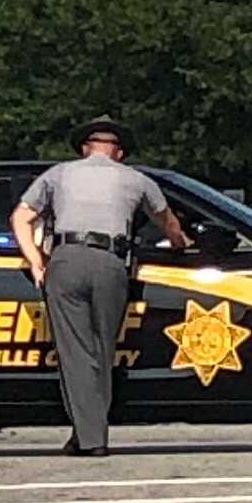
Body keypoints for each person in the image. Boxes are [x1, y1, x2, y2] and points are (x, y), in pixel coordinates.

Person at [13, 120, 189, 459]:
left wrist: (36, 261)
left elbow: (20, 217)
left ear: (84, 148)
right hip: (111, 262)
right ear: (119, 153)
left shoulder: (58, 174)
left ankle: (90, 436)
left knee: (75, 353)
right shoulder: (138, 179)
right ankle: (89, 433)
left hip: (65, 259)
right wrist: (181, 242)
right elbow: (167, 222)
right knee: (103, 351)